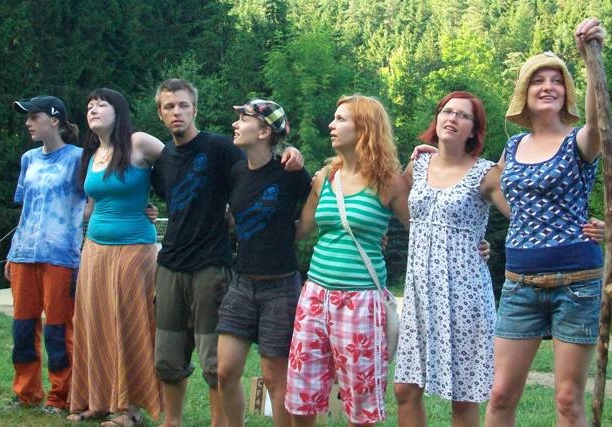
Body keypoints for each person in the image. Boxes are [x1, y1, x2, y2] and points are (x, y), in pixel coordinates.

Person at [150, 79, 303, 427]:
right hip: (173, 264)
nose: (177, 112)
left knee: (218, 364)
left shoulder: (221, 149)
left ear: (195, 109)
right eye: (169, 106)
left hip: (214, 266)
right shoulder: (165, 159)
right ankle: (172, 421)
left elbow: (263, 168)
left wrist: (291, 151)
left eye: (183, 105)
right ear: (160, 114)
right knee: (170, 358)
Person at [484, 18, 605, 427]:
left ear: (567, 92)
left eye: (557, 81)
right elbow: (487, 184)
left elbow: (599, 123)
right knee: (500, 394)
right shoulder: (514, 145)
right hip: (519, 283)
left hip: (577, 282)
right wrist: (437, 154)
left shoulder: (579, 139)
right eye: (538, 81)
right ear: (525, 92)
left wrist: (590, 59)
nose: (548, 87)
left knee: (568, 401)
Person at [285, 95, 409, 426]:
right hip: (314, 297)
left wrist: (476, 245)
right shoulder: (325, 177)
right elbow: (300, 230)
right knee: (301, 397)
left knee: (361, 403)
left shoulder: (389, 182)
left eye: (341, 119)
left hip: (361, 302)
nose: (331, 125)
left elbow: (422, 229)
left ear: (365, 128)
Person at [393, 91, 509, 427]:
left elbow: (522, 216)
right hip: (419, 296)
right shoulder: (418, 165)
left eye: (463, 115)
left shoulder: (486, 173)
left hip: (465, 298)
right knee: (404, 389)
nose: (453, 118)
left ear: (474, 130)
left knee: (463, 396)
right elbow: (393, 202)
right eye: (447, 111)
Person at [67, 88, 164, 426]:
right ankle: (96, 400)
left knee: (128, 323)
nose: (93, 109)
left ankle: (129, 409)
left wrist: (158, 205)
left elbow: (179, 168)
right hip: (94, 249)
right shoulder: (92, 154)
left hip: (134, 248)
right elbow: (92, 206)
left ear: (118, 110)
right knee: (93, 322)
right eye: (89, 105)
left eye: (101, 104)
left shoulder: (139, 142)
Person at [216, 99, 311, 427]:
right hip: (241, 283)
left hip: (281, 287)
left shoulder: (290, 173)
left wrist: (296, 153)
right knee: (225, 371)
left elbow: (323, 204)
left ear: (264, 132)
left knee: (274, 377)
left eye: (243, 119)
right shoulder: (236, 172)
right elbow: (235, 216)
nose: (235, 124)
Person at [5, 95, 84, 414]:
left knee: (58, 329)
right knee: (23, 327)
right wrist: (12, 252)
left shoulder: (79, 158)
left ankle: (61, 396)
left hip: (61, 256)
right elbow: (26, 210)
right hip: (23, 254)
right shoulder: (28, 159)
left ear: (55, 120)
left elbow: (95, 202)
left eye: (33, 117)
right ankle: (26, 393)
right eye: (27, 118)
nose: (28, 123)